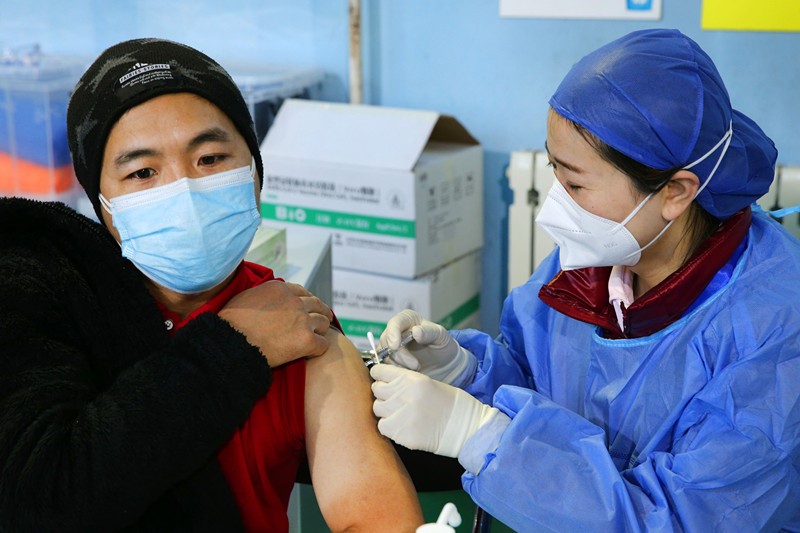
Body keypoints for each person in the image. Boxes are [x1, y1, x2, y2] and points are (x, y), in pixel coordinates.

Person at [370, 28, 800, 532]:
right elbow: (540, 385)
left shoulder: (772, 327)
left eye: (574, 182)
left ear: (676, 192)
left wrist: (478, 435)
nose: (558, 202)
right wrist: (464, 371)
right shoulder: (603, 253)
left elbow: (680, 519)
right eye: (554, 169)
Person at [0, 38, 423, 532]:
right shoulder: (51, 305)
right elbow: (40, 497)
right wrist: (233, 345)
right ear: (102, 202)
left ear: (255, 171)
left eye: (210, 158)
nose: (183, 188)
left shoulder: (296, 329)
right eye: (142, 172)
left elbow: (375, 515)